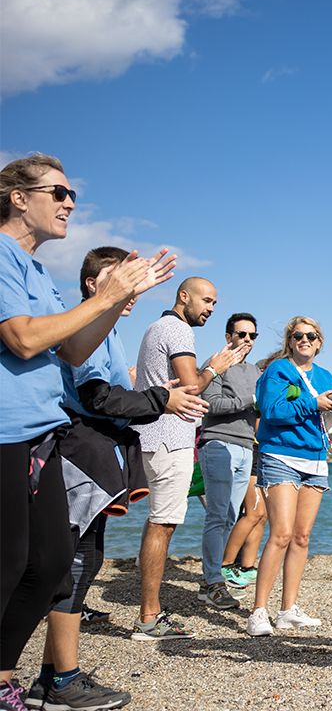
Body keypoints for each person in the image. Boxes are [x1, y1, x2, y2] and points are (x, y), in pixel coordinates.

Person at [1, 153, 174, 706]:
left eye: (72, 193)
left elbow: (73, 347)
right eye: (58, 192)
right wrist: (104, 296)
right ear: (18, 197)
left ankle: (16, 677)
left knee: (52, 563)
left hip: (42, 432)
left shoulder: (39, 273)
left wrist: (120, 298)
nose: (70, 202)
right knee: (9, 565)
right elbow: (24, 340)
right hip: (6, 433)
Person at [27, 247, 206, 711]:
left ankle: (53, 676)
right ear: (92, 284)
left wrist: (150, 395)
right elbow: (96, 397)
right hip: (82, 449)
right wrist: (157, 401)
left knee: (85, 558)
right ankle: (61, 681)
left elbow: (107, 391)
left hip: (100, 448)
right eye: (122, 277)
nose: (134, 287)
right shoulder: (87, 329)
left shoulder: (107, 333)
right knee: (75, 563)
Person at [130, 278, 243, 640]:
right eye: (206, 300)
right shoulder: (178, 330)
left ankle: (150, 610)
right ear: (184, 297)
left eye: (215, 302)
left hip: (155, 436)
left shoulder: (155, 327)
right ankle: (149, 616)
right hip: (167, 438)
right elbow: (192, 384)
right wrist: (216, 366)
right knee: (162, 524)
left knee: (159, 523)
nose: (211, 308)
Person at [247, 317, 332, 636]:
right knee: (280, 533)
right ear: (290, 341)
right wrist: (313, 403)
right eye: (298, 335)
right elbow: (271, 410)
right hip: (280, 454)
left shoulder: (325, 376)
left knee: (302, 536)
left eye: (311, 336)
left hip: (316, 459)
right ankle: (258, 611)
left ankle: (288, 610)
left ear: (319, 342)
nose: (304, 340)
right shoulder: (278, 371)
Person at [198, 313, 261, 607]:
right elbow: (210, 404)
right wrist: (250, 402)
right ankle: (211, 582)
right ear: (228, 337)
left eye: (252, 336)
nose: (247, 340)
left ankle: (217, 577)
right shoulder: (217, 365)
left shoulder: (256, 373)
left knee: (230, 516)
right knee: (217, 515)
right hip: (218, 444)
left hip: (246, 447)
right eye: (241, 334)